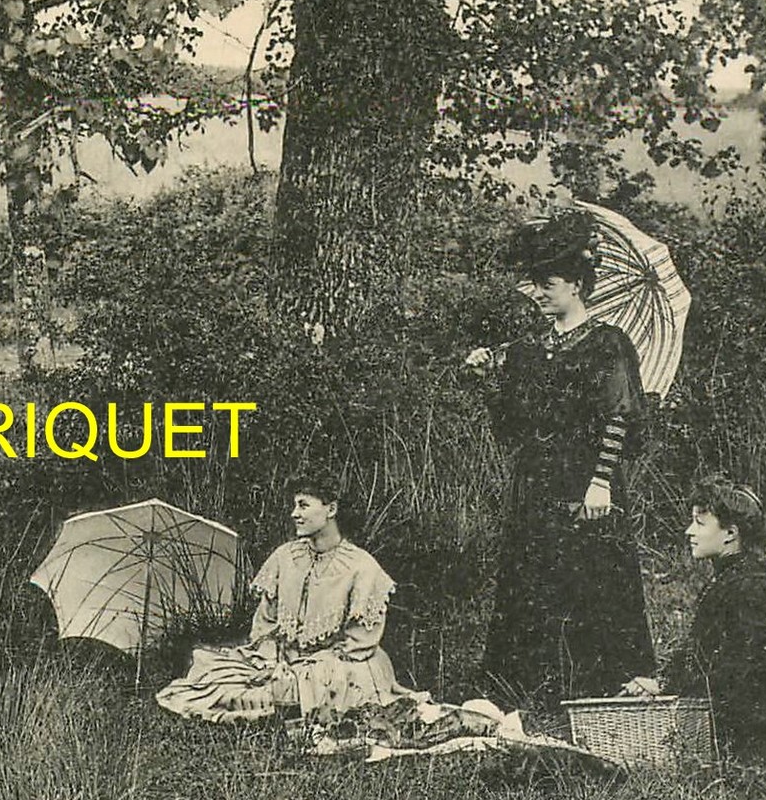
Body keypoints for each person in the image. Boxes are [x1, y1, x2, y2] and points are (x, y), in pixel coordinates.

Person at [465, 210, 654, 714]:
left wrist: (601, 483)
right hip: (535, 482)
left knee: (592, 579)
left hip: (586, 481)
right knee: (532, 579)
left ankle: (597, 690)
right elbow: (510, 427)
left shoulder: (607, 345)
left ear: (575, 285)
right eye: (536, 284)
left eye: (548, 284)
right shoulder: (528, 351)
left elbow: (620, 418)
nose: (540, 293)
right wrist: (489, 377)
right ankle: (528, 689)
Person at [158, 479, 485, 746]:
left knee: (289, 686)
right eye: (294, 505)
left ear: (331, 509)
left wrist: (304, 665)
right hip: (284, 655)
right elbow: (266, 620)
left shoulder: (360, 566)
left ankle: (285, 701)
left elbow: (361, 642)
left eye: (303, 505)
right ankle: (276, 693)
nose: (294, 514)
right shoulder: (285, 556)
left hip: (340, 663)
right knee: (213, 671)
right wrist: (272, 655)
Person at [624, 476, 766, 769]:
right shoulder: (727, 580)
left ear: (730, 534)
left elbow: (745, 672)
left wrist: (675, 688)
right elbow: (699, 652)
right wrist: (662, 683)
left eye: (700, 524)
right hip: (727, 725)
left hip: (754, 739)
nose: (689, 532)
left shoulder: (751, 588)